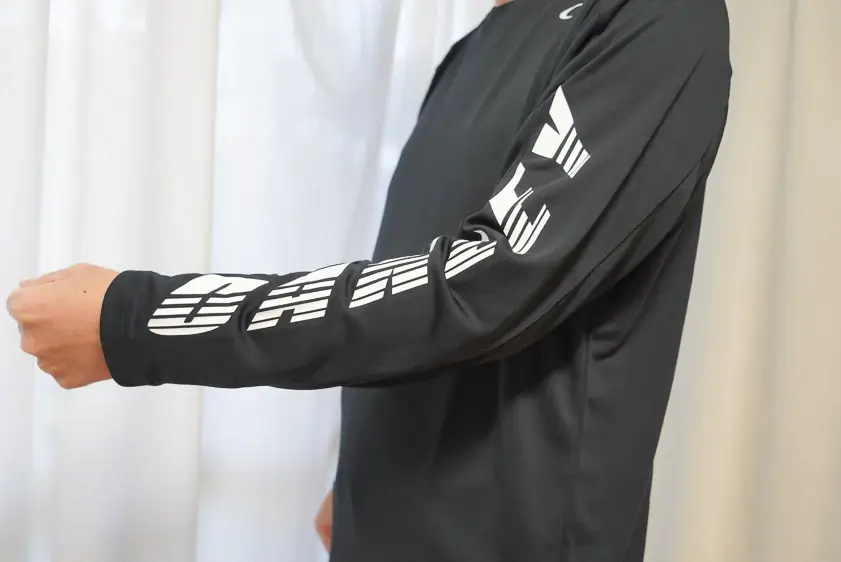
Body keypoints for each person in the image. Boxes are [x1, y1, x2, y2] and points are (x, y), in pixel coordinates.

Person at [7, 0, 731, 560]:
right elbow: (406, 285)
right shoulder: (474, 50)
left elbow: (478, 286)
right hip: (379, 523)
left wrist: (137, 320)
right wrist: (355, 478)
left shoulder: (652, 19)